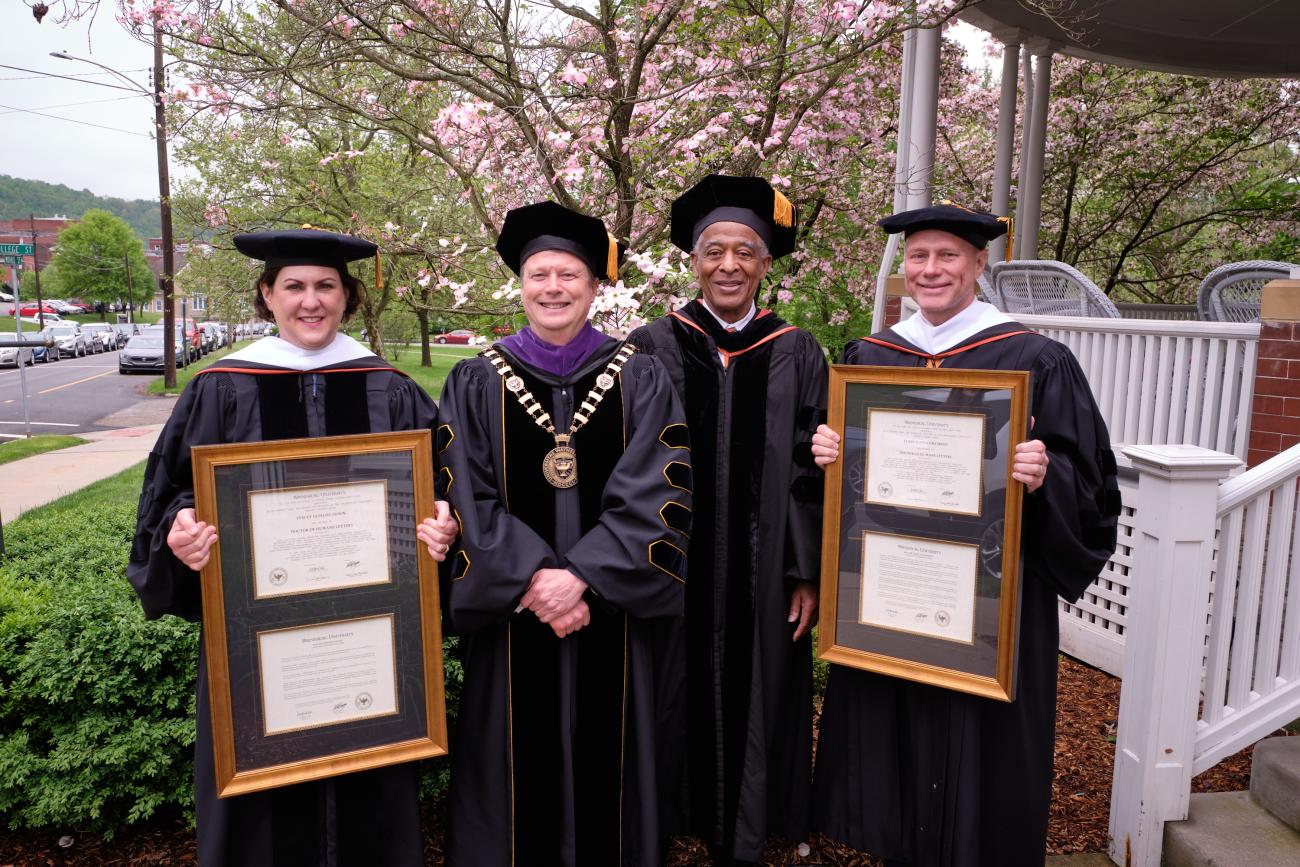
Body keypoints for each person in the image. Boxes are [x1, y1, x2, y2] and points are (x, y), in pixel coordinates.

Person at [127, 228, 458, 866]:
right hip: (256, 639)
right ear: (267, 295)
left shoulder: (389, 387)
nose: (312, 301)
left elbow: (442, 486)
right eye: (295, 287)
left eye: (326, 286)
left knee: (372, 775)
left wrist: (444, 526)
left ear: (348, 297)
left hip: (373, 641)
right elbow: (169, 493)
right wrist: (181, 536)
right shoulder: (222, 386)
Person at [809, 203, 1122, 866]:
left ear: (979, 265)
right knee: (896, 727)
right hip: (892, 588)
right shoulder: (872, 357)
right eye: (917, 257)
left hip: (989, 603)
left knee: (984, 751)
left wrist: (1046, 475)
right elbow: (845, 483)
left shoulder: (1036, 359)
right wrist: (830, 449)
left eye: (946, 256)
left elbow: (1090, 485)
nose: (929, 270)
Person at [437, 202, 692, 867]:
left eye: (569, 274)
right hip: (515, 618)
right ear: (520, 284)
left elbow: (659, 490)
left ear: (595, 286)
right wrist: (532, 579)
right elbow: (463, 492)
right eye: (539, 273)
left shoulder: (639, 375)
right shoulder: (475, 380)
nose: (553, 287)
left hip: (609, 616)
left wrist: (582, 576)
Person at [626, 175, 827, 865]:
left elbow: (810, 472)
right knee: (670, 688)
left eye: (746, 251)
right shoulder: (651, 346)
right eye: (715, 250)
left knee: (759, 683)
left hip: (764, 573)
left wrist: (806, 573)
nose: (730, 265)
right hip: (672, 571)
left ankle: (752, 824)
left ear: (766, 264)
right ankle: (673, 814)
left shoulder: (799, 352)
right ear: (693, 260)